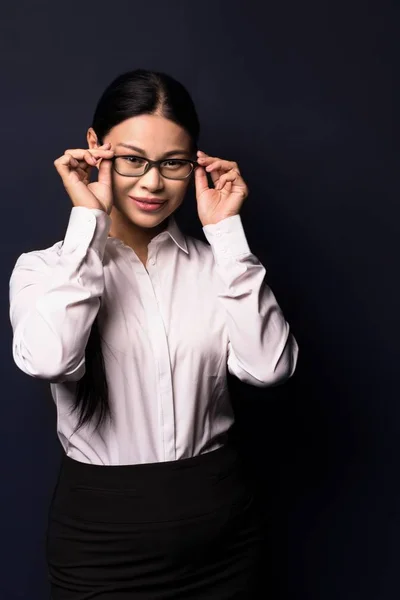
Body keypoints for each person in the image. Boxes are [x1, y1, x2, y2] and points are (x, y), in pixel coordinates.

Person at [9, 68, 299, 599]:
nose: (152, 183)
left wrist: (227, 234)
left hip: (225, 534)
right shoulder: (46, 269)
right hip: (102, 541)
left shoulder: (219, 266)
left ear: (195, 164)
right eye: (133, 160)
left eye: (173, 164)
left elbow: (269, 367)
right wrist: (86, 223)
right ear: (95, 148)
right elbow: (49, 359)